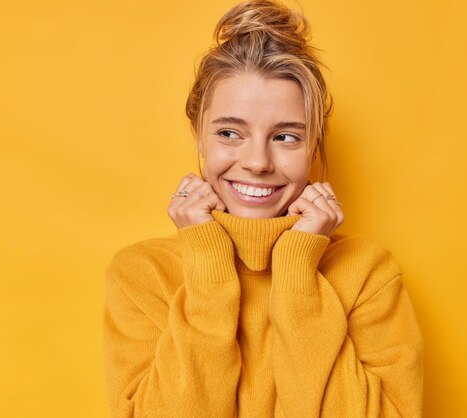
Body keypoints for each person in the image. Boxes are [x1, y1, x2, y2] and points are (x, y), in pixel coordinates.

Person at [102, 0, 424, 416]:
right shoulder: (142, 275)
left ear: (313, 147)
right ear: (199, 137)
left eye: (286, 137)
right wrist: (208, 265)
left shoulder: (367, 274)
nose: (257, 162)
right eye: (230, 132)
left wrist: (296, 271)